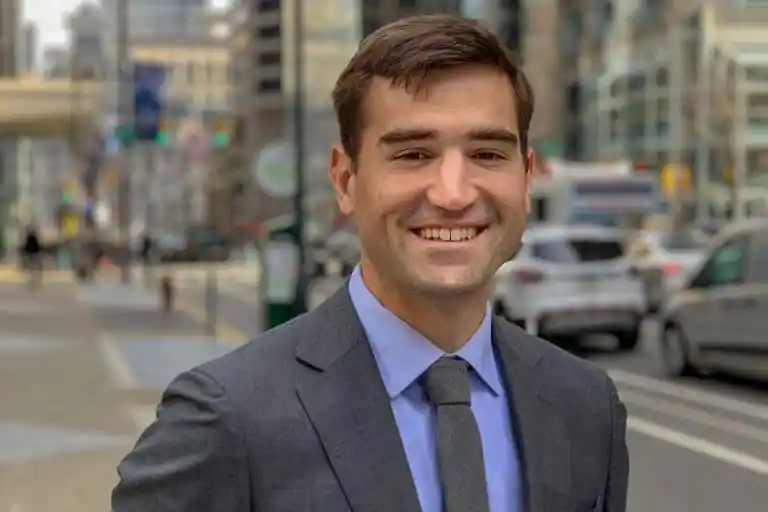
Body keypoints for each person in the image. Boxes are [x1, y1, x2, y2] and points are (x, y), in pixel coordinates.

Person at [112, 14, 629, 512]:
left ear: (527, 176)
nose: (453, 193)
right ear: (345, 180)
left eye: (488, 154)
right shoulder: (225, 419)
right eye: (413, 155)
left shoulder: (585, 407)